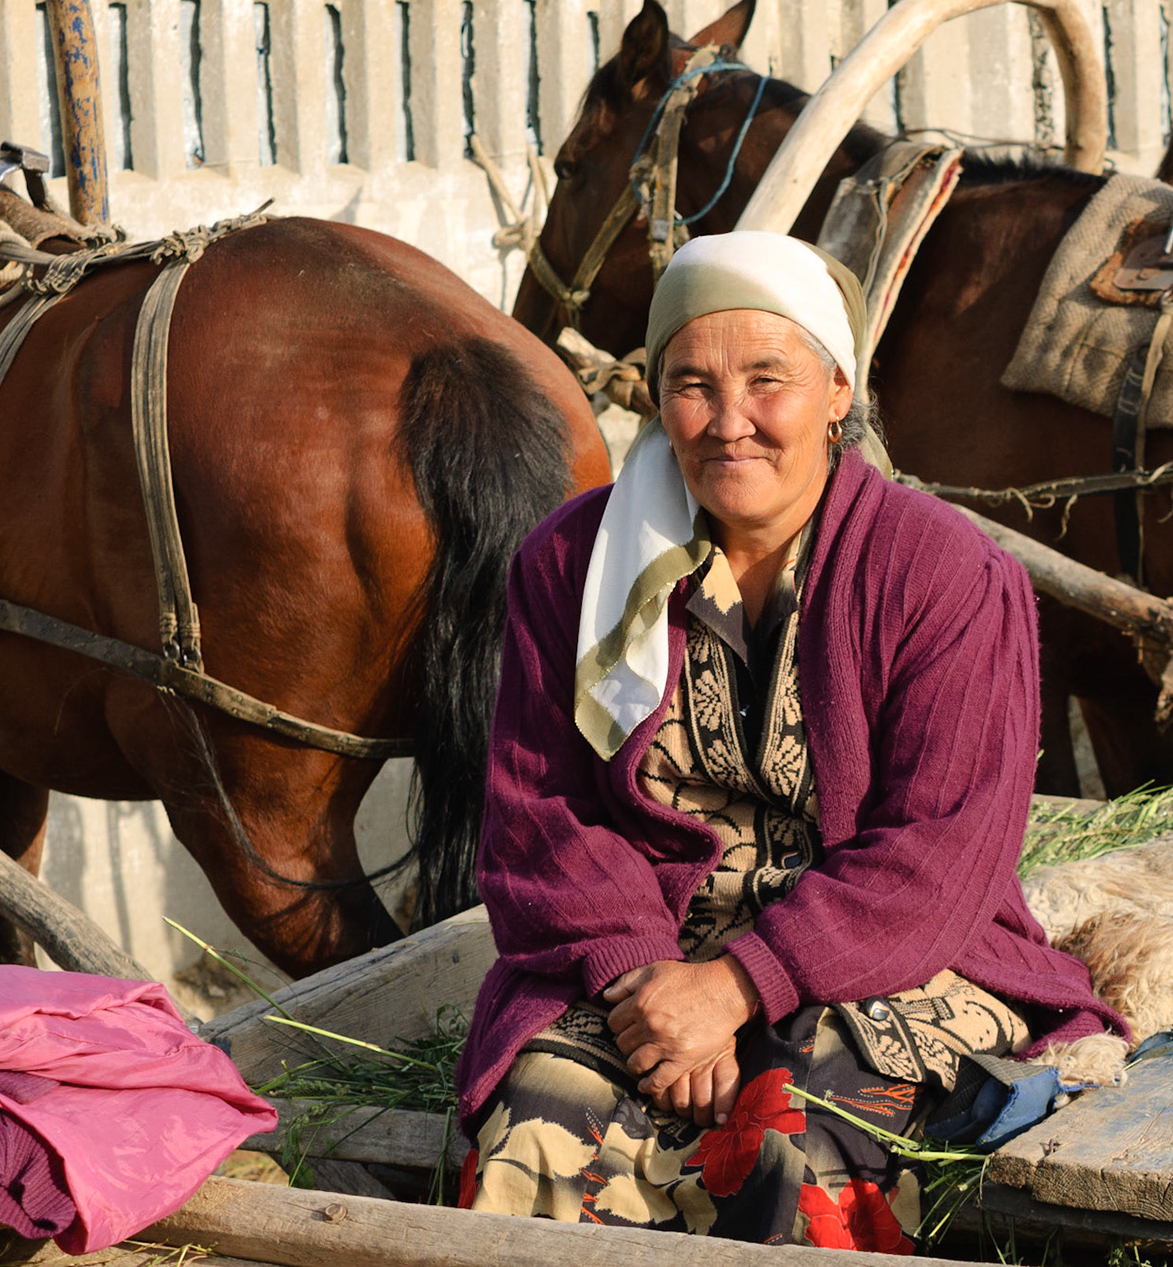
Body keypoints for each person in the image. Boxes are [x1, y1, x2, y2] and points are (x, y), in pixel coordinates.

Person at [454, 231, 1125, 1249]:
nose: (730, 424)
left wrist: (735, 987)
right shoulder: (571, 563)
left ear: (837, 390)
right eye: (691, 384)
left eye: (768, 380)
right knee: (535, 1129)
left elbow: (937, 854)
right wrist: (651, 987)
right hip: (640, 972)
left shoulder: (942, 575)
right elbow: (539, 814)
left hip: (894, 961)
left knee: (786, 1141)